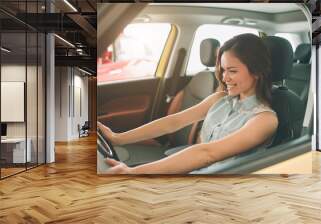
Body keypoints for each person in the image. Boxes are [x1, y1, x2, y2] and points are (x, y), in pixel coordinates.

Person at [97, 33, 278, 174]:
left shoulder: (264, 120)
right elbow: (173, 123)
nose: (224, 77)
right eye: (222, 70)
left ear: (256, 71)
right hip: (192, 170)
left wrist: (132, 172)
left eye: (232, 71)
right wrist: (117, 137)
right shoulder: (219, 99)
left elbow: (208, 154)